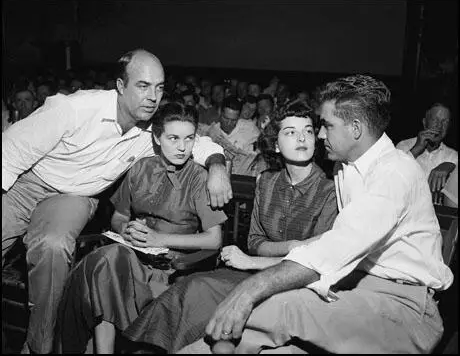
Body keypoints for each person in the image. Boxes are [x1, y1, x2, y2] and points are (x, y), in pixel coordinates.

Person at [176, 74, 453, 354]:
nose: (319, 135)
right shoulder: (346, 167)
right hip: (355, 286)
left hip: (403, 304)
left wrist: (248, 290)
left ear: (355, 128)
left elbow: (334, 248)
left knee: (282, 308)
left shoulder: (394, 172)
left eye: (326, 126)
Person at [2, 48, 231, 354]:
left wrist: (216, 166)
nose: (152, 96)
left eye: (159, 88)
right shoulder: (74, 108)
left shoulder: (152, 130)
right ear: (121, 86)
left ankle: (40, 346)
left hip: (74, 197)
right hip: (24, 182)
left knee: (53, 246)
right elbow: (11, 150)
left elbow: (195, 142)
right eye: (143, 85)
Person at [122, 102, 338, 353]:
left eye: (309, 131)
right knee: (192, 288)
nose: (302, 138)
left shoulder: (329, 190)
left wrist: (253, 261)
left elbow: (318, 260)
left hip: (299, 284)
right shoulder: (267, 181)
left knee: (220, 333)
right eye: (291, 131)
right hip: (254, 272)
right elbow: (256, 242)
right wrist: (293, 247)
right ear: (276, 144)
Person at [57, 102, 228, 353]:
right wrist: (126, 228)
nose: (182, 147)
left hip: (174, 269)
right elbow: (119, 215)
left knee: (109, 268)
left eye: (189, 139)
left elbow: (214, 240)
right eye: (173, 138)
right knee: (106, 259)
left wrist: (159, 239)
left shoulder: (198, 178)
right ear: (157, 138)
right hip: (134, 259)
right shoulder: (140, 168)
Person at [396, 102, 458, 195]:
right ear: (425, 123)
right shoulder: (404, 146)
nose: (439, 126)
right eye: (435, 119)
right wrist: (416, 149)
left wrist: (451, 165)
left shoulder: (452, 155)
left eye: (445, 121)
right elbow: (392, 179)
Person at [198, 97, 261, 176]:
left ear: (239, 117)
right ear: (220, 113)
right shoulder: (212, 132)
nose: (229, 123)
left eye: (233, 120)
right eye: (226, 118)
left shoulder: (250, 129)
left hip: (244, 178)